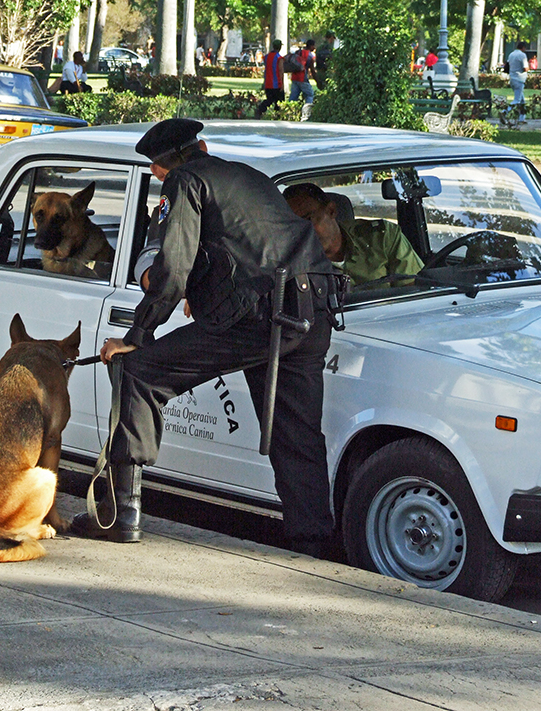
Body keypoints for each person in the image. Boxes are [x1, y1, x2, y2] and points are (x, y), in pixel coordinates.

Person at [72, 119, 340, 556]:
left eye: (157, 171)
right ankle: (313, 543)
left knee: (137, 370)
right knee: (299, 434)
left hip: (261, 316)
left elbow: (173, 265)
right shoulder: (247, 175)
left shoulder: (184, 181)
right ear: (203, 145)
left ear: (160, 170)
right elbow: (247, 248)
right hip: (314, 310)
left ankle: (120, 515)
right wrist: (208, 292)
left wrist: (138, 333)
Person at [282, 183, 423, 287]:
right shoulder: (289, 263)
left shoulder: (382, 237)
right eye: (294, 225)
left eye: (308, 220)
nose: (303, 231)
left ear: (331, 211)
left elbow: (416, 290)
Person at [256, 39, 286, 118]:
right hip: (276, 83)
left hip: (268, 83)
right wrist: (282, 84)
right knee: (280, 101)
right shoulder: (279, 58)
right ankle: (278, 115)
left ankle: (260, 110)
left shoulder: (266, 57)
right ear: (279, 47)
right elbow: (281, 71)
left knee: (270, 99)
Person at [506, 41, 529, 123]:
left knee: (522, 101)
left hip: (512, 78)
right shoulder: (522, 55)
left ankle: (521, 118)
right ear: (523, 47)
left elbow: (507, 66)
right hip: (519, 79)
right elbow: (525, 68)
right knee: (517, 100)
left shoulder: (511, 54)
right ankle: (505, 112)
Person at [288, 40, 316, 104]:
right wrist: (317, 80)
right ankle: (307, 110)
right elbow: (312, 70)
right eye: (313, 46)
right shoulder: (310, 56)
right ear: (311, 46)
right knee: (310, 94)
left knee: (293, 98)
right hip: (302, 78)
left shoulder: (298, 52)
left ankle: (289, 110)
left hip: (294, 77)